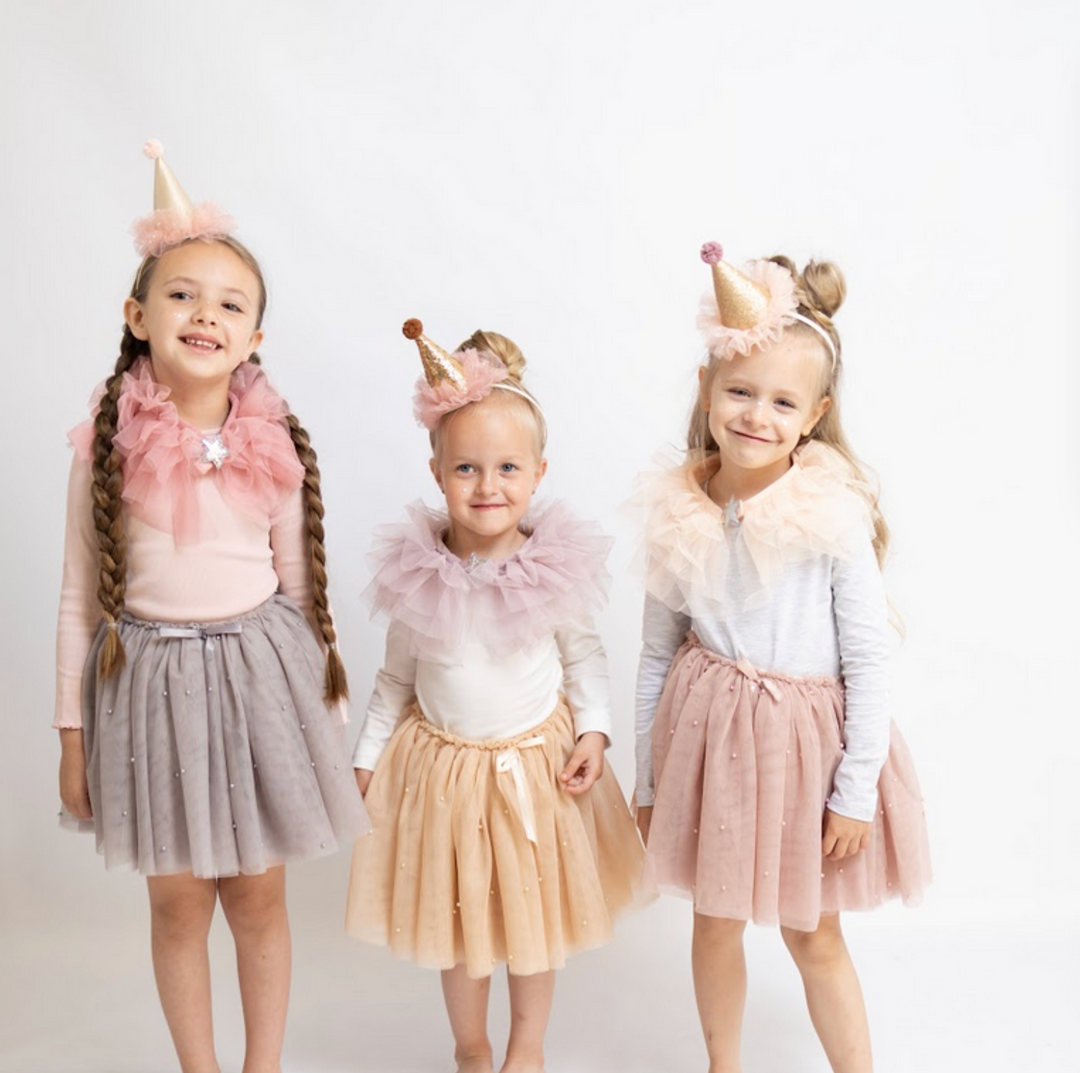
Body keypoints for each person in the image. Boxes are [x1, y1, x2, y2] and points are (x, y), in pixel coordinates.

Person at [55, 141, 369, 1073]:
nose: (205, 314)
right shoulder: (105, 444)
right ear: (137, 315)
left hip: (258, 684)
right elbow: (77, 598)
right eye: (183, 294)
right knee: (178, 902)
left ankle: (261, 1065)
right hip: (148, 686)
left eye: (231, 304)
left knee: (257, 899)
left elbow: (302, 592)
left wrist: (326, 719)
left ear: (255, 336)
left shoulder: (273, 443)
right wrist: (71, 736)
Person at [633, 242, 931, 1073]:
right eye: (739, 391)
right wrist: (648, 783)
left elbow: (867, 658)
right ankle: (723, 1064)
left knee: (814, 931)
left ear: (814, 412)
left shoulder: (830, 512)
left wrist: (855, 790)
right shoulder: (678, 508)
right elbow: (656, 653)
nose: (756, 416)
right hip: (710, 743)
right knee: (714, 920)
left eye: (781, 401)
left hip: (806, 752)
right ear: (707, 387)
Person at [346, 320, 643, 1073]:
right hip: (445, 776)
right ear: (437, 470)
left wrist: (594, 731)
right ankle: (471, 1047)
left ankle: (527, 1049)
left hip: (537, 770)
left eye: (507, 467)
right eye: (467, 468)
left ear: (538, 472)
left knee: (534, 920)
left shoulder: (552, 568)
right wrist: (366, 761)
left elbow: (583, 655)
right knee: (462, 924)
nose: (488, 487)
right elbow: (394, 681)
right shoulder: (419, 572)